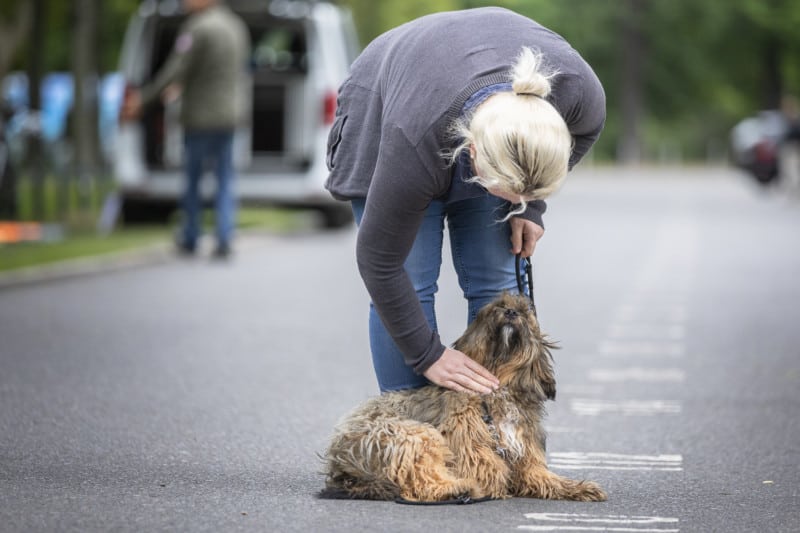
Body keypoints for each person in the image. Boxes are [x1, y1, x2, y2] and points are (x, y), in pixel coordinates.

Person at [324, 7, 606, 394]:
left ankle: (498, 428)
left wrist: (533, 207)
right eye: (512, 195)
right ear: (473, 154)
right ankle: (413, 432)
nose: (519, 202)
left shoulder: (578, 94)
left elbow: (584, 134)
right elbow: (380, 263)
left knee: (498, 284)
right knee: (412, 280)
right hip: (392, 97)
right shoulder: (412, 140)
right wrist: (429, 357)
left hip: (469, 102)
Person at [121, 0, 250, 258]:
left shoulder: (197, 28)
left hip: (200, 117)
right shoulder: (237, 26)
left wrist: (143, 99)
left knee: (193, 180)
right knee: (225, 179)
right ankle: (224, 236)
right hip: (229, 116)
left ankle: (191, 236)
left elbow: (175, 70)